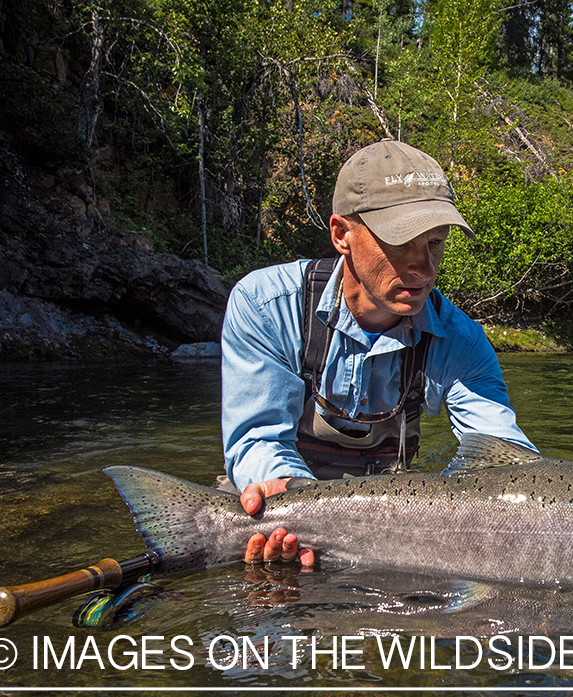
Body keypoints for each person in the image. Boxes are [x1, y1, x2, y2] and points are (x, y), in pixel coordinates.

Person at [221, 139, 534, 566]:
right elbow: (257, 440)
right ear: (341, 235)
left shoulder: (461, 341)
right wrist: (290, 510)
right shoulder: (266, 306)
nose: (424, 269)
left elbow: (503, 460)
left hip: (384, 521)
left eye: (436, 243)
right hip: (283, 504)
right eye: (402, 244)